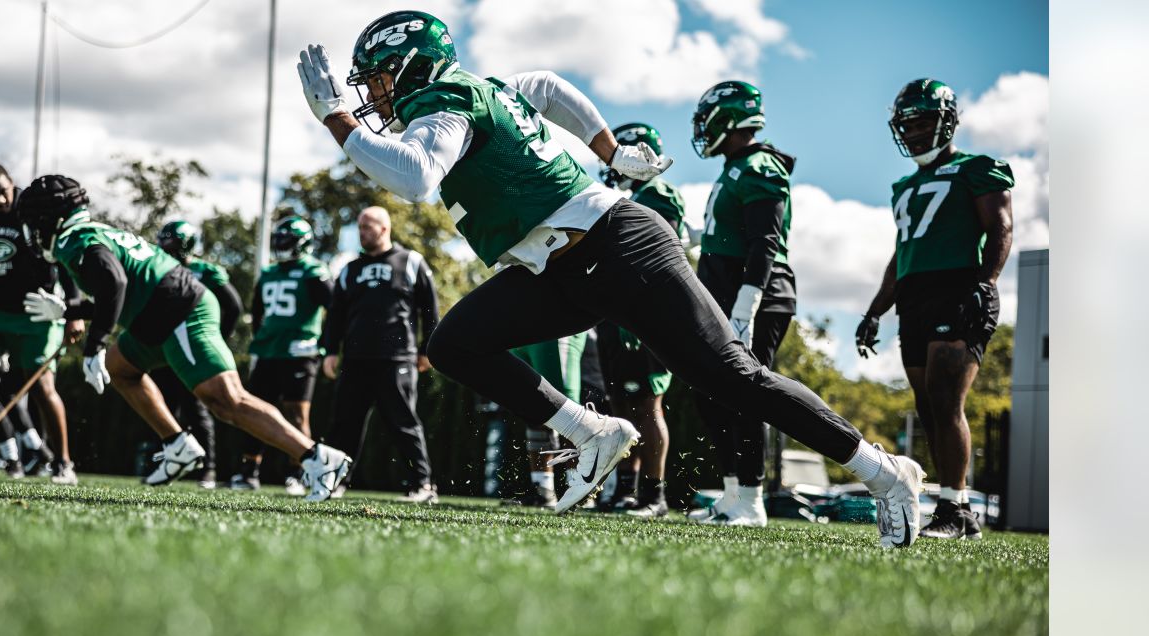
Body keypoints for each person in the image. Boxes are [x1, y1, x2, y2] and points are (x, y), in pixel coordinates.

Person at [297, 10, 924, 548]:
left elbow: (413, 177)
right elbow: (543, 85)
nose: (372, 96)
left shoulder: (448, 102)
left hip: (617, 245)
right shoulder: (483, 90)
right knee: (454, 343)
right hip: (557, 268)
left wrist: (334, 117)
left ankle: (884, 470)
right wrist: (607, 149)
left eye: (377, 78)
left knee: (732, 376)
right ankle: (589, 432)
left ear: (413, 67)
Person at [16, 175, 352, 499]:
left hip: (180, 311)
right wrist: (68, 311)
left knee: (227, 401)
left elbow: (113, 284)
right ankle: (176, 443)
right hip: (157, 312)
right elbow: (118, 291)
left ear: (49, 218)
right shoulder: (93, 232)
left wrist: (94, 345)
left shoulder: (73, 241)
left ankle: (319, 459)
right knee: (121, 368)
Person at [857, 79, 1014, 541]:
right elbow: (900, 254)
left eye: (924, 121)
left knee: (948, 400)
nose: (915, 133)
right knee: (928, 406)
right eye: (907, 125)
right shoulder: (904, 185)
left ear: (947, 121)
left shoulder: (978, 167)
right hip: (915, 296)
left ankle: (958, 509)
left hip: (959, 285)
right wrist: (873, 312)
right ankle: (949, 503)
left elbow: (1001, 228)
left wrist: (986, 283)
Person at [681, 82, 797, 528]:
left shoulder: (760, 165)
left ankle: (751, 499)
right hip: (726, 293)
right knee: (710, 394)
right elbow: (725, 231)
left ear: (727, 119)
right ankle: (733, 495)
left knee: (746, 395)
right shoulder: (734, 167)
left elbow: (766, 242)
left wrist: (745, 308)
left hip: (757, 295)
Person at [0, 162, 81, 484]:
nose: (1, 201)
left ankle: (62, 462)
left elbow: (63, 259)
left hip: (36, 309)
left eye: (4, 192)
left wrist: (72, 313)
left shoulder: (32, 209)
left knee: (44, 386)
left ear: (12, 184)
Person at [320, 206, 440, 503]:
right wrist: (331, 350)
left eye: (367, 227)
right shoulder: (350, 269)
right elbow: (336, 314)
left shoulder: (410, 261)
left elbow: (430, 309)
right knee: (343, 424)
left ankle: (422, 485)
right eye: (359, 227)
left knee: (403, 423)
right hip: (355, 360)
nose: (362, 233)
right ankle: (334, 481)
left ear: (384, 228)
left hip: (397, 358)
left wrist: (427, 350)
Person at [595, 122, 684, 518]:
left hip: (646, 312)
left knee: (647, 406)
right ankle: (626, 492)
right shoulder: (627, 197)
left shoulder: (658, 195)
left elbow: (655, 259)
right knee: (619, 408)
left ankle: (654, 496)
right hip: (617, 313)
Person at [231, 215, 334, 494]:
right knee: (255, 410)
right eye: (279, 240)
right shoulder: (269, 272)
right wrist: (262, 338)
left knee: (297, 413)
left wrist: (321, 344)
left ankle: (298, 473)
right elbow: (259, 311)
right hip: (268, 350)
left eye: (286, 241)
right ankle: (248, 470)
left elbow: (335, 310)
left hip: (300, 352)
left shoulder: (314, 271)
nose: (281, 246)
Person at [152, 220, 245, 489]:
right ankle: (168, 462)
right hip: (166, 348)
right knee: (162, 405)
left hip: (193, 347)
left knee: (196, 409)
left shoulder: (205, 271)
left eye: (170, 241)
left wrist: (217, 338)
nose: (164, 246)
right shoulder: (160, 268)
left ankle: (208, 470)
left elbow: (234, 306)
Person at [508, 332, 589, 508]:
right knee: (533, 406)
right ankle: (543, 490)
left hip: (556, 327)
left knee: (567, 408)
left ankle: (580, 488)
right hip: (519, 325)